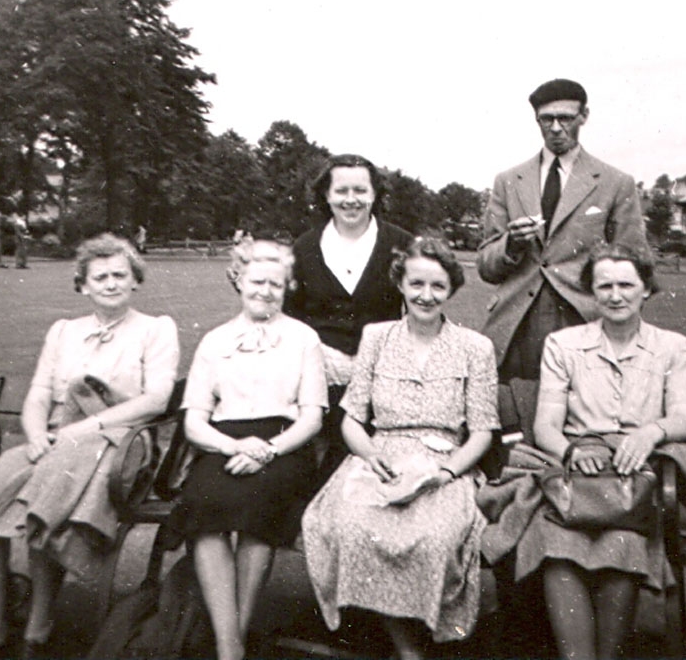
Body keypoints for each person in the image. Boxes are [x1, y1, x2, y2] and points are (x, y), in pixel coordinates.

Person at [0, 233, 179, 660]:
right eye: (100, 277)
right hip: (57, 437)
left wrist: (85, 428)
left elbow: (155, 400)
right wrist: (36, 432)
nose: (111, 283)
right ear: (83, 285)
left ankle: (39, 625)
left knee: (47, 506)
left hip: (122, 440)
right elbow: (41, 391)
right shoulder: (64, 331)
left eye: (121, 275)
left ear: (136, 280)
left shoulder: (156, 329)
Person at [509, 242, 686, 659]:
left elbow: (685, 416)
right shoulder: (563, 344)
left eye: (626, 284)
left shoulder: (673, 347)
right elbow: (546, 425)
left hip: (633, 476)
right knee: (557, 542)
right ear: (591, 291)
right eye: (604, 286)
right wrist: (569, 451)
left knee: (623, 539)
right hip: (574, 475)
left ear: (646, 289)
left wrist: (650, 433)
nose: (615, 295)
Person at [302, 237, 498, 660]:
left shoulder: (474, 348)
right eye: (417, 284)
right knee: (353, 527)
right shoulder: (377, 337)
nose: (426, 295)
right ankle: (405, 646)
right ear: (401, 285)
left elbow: (482, 431)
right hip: (380, 455)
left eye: (438, 286)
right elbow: (352, 416)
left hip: (445, 462)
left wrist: (446, 473)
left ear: (451, 290)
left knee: (433, 539)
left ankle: (420, 638)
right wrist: (371, 455)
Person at [165, 236, 327, 660]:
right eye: (257, 281)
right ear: (239, 280)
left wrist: (267, 450)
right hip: (222, 442)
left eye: (275, 284)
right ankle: (229, 642)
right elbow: (195, 420)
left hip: (284, 446)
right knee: (204, 502)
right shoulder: (215, 341)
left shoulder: (304, 339)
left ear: (287, 287)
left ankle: (233, 635)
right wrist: (235, 445)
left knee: (260, 503)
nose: (265, 291)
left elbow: (311, 417)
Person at [478, 78, 650, 383]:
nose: (556, 128)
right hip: (518, 324)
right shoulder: (507, 181)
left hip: (584, 319)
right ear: (536, 120)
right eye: (547, 119)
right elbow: (486, 266)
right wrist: (511, 245)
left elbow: (637, 264)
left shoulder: (615, 182)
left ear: (584, 116)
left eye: (566, 118)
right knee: (514, 419)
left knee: (585, 420)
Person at [284, 153, 413, 486]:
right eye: (341, 191)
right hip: (320, 372)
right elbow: (290, 319)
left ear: (375, 194)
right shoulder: (305, 247)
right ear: (326, 195)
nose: (351, 200)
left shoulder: (400, 244)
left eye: (360, 190)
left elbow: (416, 310)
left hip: (382, 371)